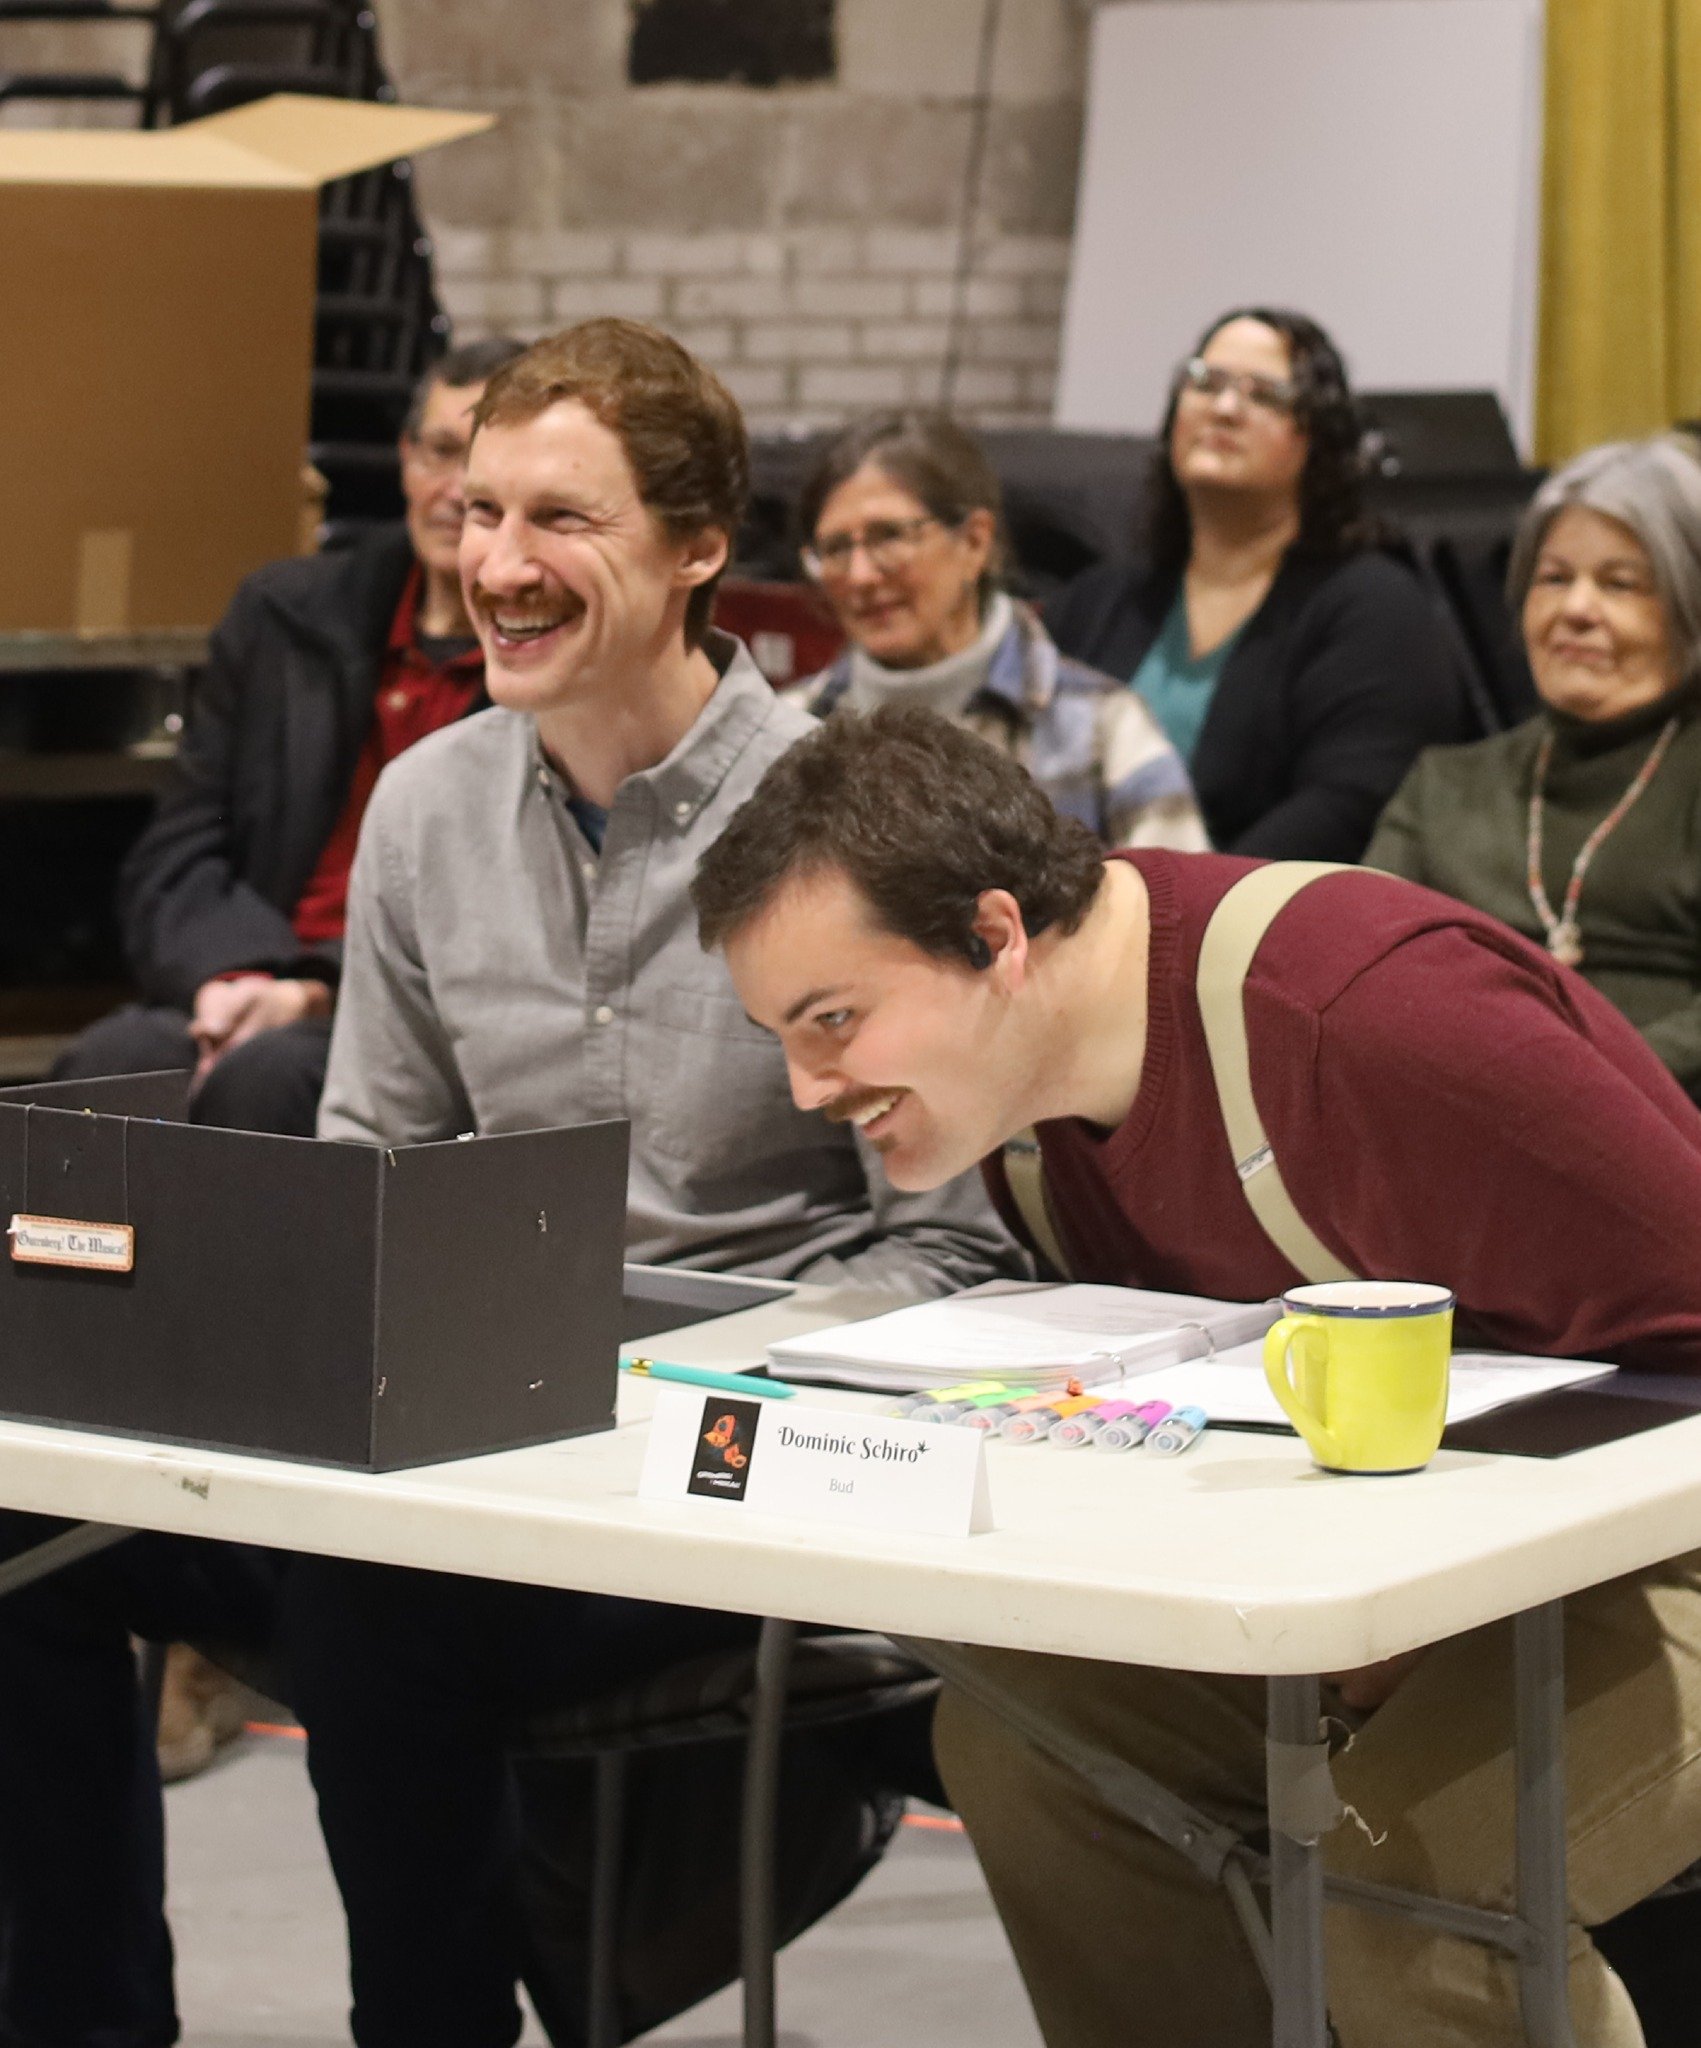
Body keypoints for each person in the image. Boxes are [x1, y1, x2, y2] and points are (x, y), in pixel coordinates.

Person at [691, 701, 1701, 2048]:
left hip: (1640, 1557)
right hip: (1407, 1571)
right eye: (782, 1035)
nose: (810, 1084)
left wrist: (1451, 1594)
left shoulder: (1370, 1018)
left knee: (1404, 1874)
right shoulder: (1030, 1104)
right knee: (1034, 1746)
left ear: (995, 938)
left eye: (833, 1019)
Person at [285, 320, 1020, 2048]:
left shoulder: (856, 812)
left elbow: (954, 1247)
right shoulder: (422, 807)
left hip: (752, 1448)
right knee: (52, 1537)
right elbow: (370, 1178)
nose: (496, 565)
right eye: (476, 512)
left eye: (562, 520)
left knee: (367, 1603)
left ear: (700, 552)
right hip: (486, 1442)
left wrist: (684, 1376)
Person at [54, 334, 525, 1137]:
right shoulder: (286, 613)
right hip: (238, 975)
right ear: (405, 458)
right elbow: (178, 848)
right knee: (110, 1067)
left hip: (394, 1012)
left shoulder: (542, 662)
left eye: (484, 470)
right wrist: (231, 975)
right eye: (441, 452)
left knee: (269, 1082)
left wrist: (314, 988)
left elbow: (499, 914)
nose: (454, 490)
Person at [1047, 306, 1465, 860]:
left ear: (1314, 441)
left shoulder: (1375, 607)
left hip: (1255, 923)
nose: (1224, 409)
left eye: (1263, 395)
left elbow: (1352, 805)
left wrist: (1172, 909)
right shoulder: (1099, 598)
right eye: (1205, 383)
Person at [1368, 436, 1701, 1103]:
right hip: (1453, 1116)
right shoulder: (1444, 785)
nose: (1576, 610)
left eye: (1619, 583)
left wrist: (1573, 1084)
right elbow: (1362, 971)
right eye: (1553, 578)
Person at [791, 412, 1207, 849]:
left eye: (889, 537)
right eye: (835, 548)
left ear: (974, 542)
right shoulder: (791, 730)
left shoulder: (1101, 726)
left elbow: (1182, 911)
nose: (860, 576)